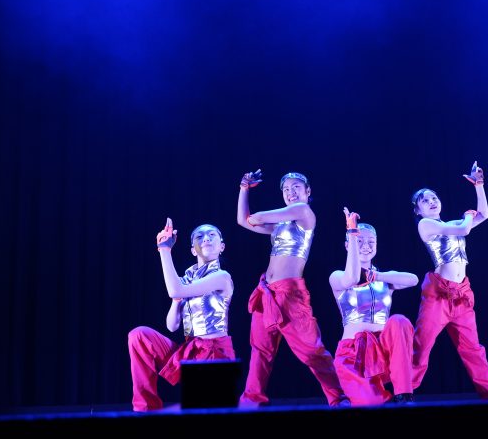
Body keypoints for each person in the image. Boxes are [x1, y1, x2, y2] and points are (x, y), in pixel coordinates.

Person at [236, 169, 349, 407]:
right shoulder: (281, 224)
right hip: (267, 291)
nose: (290, 192)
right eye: (286, 189)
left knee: (311, 350)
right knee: (261, 350)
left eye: (296, 187)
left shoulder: (304, 211)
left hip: (290, 293)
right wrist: (244, 189)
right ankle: (251, 400)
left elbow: (256, 218)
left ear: (308, 191)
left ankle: (340, 397)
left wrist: (257, 217)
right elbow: (243, 220)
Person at [410, 161, 488, 400]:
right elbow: (464, 229)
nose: (431, 201)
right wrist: (468, 217)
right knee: (422, 345)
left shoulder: (451, 224)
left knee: (472, 348)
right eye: (424, 200)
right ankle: (404, 389)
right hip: (438, 294)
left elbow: (484, 215)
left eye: (434, 197)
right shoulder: (425, 224)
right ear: (418, 210)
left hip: (461, 293)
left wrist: (479, 185)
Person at [127, 219, 236, 411]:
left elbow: (175, 290)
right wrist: (176, 302)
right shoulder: (186, 281)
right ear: (193, 250)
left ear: (222, 247)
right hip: (189, 352)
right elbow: (172, 326)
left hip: (214, 355)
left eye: (212, 235)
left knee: (204, 412)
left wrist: (164, 249)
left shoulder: (222, 277)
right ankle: (145, 409)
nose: (206, 238)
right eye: (199, 236)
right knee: (139, 335)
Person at [329, 208, 420, 405]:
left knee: (399, 321)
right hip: (353, 354)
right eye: (360, 241)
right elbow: (352, 278)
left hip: (383, 350)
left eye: (371, 242)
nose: (366, 246)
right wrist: (352, 233)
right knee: (374, 404)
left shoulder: (384, 278)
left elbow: (413, 280)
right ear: (348, 245)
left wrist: (377, 276)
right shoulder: (337, 276)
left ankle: (404, 395)